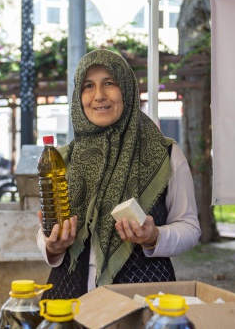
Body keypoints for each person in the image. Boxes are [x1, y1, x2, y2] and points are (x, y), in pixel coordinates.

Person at [36, 49, 201, 299]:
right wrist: (51, 246)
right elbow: (45, 228)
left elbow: (189, 228)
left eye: (109, 83)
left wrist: (154, 237)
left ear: (126, 89)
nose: (99, 96)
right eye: (88, 86)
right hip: (68, 301)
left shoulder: (165, 154)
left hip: (141, 301)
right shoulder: (62, 158)